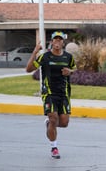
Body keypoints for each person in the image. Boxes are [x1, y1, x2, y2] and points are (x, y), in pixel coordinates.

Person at [26, 31, 76, 159]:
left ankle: (49, 124)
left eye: (60, 40)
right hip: (49, 93)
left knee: (64, 123)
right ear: (52, 42)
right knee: (54, 118)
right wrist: (35, 51)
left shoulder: (68, 57)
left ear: (62, 42)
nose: (57, 42)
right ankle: (54, 147)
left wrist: (69, 71)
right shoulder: (45, 57)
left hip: (64, 94)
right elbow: (29, 69)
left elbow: (74, 69)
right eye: (55, 40)